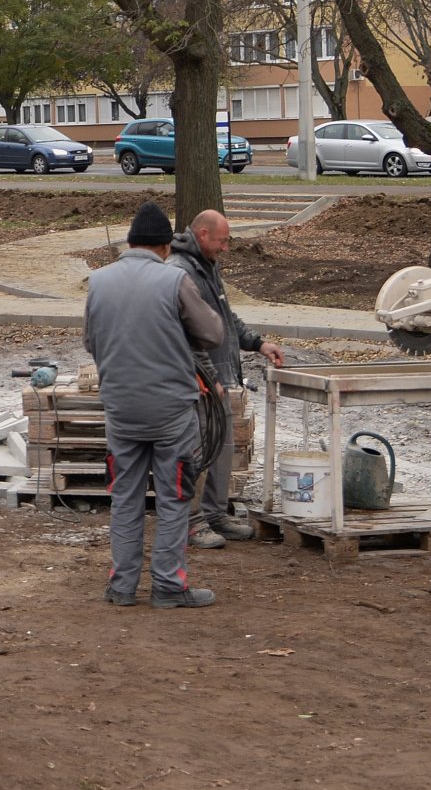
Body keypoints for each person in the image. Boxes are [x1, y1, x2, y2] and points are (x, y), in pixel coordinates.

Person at [83, 201, 225, 608]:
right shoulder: (173, 280)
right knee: (174, 495)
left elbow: (91, 342)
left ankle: (121, 587)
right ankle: (168, 586)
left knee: (124, 496)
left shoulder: (99, 281)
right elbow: (212, 334)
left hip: (121, 411)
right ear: (165, 247)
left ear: (129, 242)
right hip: (170, 411)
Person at [169, 210, 286, 549]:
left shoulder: (207, 266)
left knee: (221, 447)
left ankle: (216, 513)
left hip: (216, 375)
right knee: (200, 450)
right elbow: (188, 334)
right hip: (198, 380)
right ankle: (196, 523)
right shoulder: (181, 272)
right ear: (202, 235)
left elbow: (223, 317)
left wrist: (257, 343)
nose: (226, 248)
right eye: (222, 241)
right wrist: (208, 376)